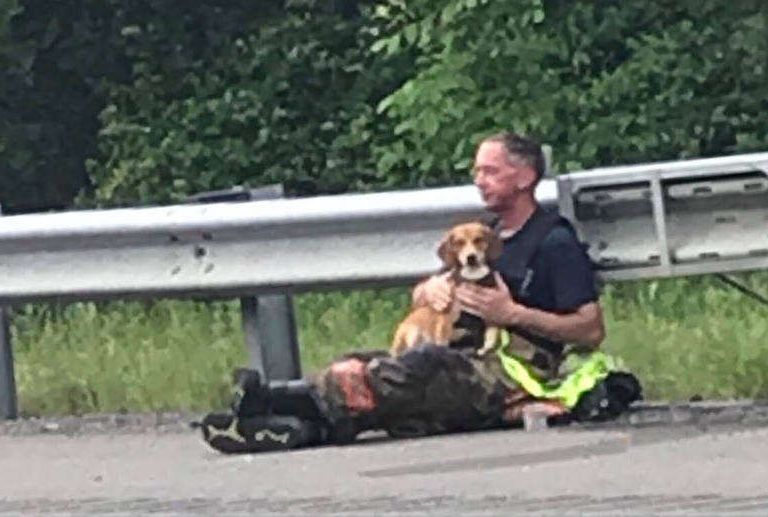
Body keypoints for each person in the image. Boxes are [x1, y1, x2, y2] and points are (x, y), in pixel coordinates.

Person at [196, 133, 640, 454]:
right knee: (367, 362)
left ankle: (275, 402)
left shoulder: (554, 241)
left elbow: (590, 329)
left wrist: (512, 313)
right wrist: (429, 287)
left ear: (525, 177)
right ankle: (291, 424)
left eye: (490, 170)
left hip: (510, 375)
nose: (478, 179)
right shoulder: (484, 236)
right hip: (459, 356)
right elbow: (429, 295)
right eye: (476, 171)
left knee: (415, 369)